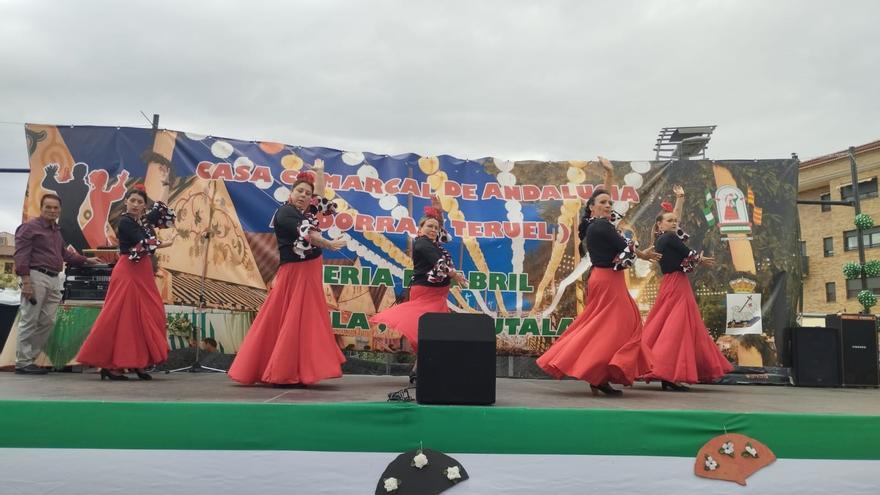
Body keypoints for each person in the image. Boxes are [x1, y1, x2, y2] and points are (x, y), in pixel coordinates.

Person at [537, 159, 660, 396]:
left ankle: (597, 373)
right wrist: (640, 251)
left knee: (603, 325)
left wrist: (610, 173)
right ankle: (597, 373)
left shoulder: (592, 223)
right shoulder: (601, 227)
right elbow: (625, 248)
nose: (608, 205)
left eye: (609, 203)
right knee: (619, 326)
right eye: (603, 203)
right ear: (592, 207)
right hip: (607, 280)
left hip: (605, 279)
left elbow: (604, 198)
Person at [228, 161, 347, 387]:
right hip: (295, 273)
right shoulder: (286, 213)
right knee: (288, 319)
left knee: (305, 320)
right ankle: (281, 369)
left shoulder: (306, 211)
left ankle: (297, 368)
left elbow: (319, 197)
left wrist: (320, 173)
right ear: (291, 193)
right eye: (300, 191)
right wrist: (329, 244)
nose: (304, 195)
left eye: (307, 193)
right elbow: (310, 235)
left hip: (310, 271)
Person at [76, 185, 176, 380]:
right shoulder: (125, 222)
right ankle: (111, 365)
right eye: (133, 201)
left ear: (144, 206)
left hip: (143, 271)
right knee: (125, 316)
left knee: (150, 313)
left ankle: (139, 362)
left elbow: (160, 209)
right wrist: (166, 243)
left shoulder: (144, 221)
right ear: (126, 202)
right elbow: (142, 243)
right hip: (128, 270)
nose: (136, 204)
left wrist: (165, 186)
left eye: (140, 202)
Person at [641, 186, 733, 391]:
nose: (674, 223)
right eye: (669, 221)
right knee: (676, 329)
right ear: (660, 224)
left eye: (675, 221)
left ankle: (664, 372)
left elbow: (677, 219)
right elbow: (688, 252)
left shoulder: (662, 238)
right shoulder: (669, 237)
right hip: (676, 284)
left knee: (667, 326)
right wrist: (700, 258)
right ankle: (668, 374)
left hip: (671, 283)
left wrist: (680, 199)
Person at [369, 196, 467, 383]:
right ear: (420, 229)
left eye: (436, 228)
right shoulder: (422, 243)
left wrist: (439, 213)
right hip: (426, 293)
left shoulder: (434, 243)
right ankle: (419, 371)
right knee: (425, 331)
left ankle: (418, 370)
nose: (433, 230)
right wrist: (454, 274)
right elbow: (437, 263)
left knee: (434, 332)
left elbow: (441, 233)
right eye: (429, 226)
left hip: (438, 295)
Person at [13, 193, 100, 374]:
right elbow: (21, 255)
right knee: (30, 320)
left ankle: (30, 359)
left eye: (55, 208)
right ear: (41, 208)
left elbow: (64, 254)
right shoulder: (29, 228)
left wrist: (86, 260)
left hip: (54, 278)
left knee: (48, 321)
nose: (52, 211)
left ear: (60, 210)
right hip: (36, 277)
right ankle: (22, 362)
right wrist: (26, 282)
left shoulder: (55, 230)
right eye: (48, 207)